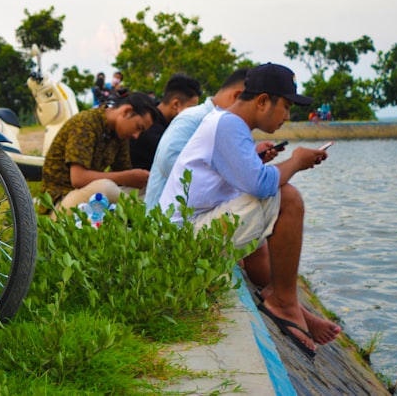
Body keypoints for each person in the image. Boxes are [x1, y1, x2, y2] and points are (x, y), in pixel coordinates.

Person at [158, 63, 340, 357]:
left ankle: (283, 296)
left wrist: (256, 159)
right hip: (181, 245)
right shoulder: (229, 125)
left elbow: (237, 181)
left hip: (178, 238)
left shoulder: (223, 122)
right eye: (286, 106)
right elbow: (260, 185)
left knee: (268, 199)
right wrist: (295, 161)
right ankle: (282, 300)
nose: (287, 116)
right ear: (263, 101)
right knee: (288, 198)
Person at [144, 68, 254, 211]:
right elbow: (168, 161)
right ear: (237, 96)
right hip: (165, 219)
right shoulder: (193, 118)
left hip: (189, 212)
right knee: (272, 200)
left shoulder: (220, 122)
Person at [42, 91, 159, 211]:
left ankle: (140, 206)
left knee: (148, 187)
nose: (136, 136)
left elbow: (124, 175)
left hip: (91, 196)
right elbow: (78, 179)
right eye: (138, 127)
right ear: (126, 112)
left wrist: (139, 179)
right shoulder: (86, 123)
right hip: (61, 201)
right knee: (105, 187)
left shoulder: (120, 135)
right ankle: (140, 208)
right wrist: (127, 177)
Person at [130, 74, 202, 171]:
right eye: (191, 109)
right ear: (176, 104)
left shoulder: (162, 122)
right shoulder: (152, 131)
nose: (193, 114)